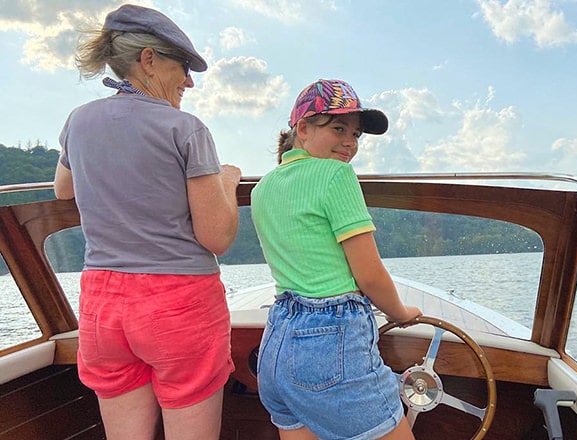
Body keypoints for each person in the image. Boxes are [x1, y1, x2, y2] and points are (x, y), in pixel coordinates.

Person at [53, 4, 241, 440]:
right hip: (178, 304)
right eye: (184, 67)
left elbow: (64, 190)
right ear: (149, 59)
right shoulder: (185, 128)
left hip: (103, 304)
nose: (189, 82)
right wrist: (227, 182)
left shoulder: (78, 121)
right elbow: (216, 236)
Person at [251, 79, 422, 440]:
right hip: (329, 342)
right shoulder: (336, 174)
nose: (350, 142)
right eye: (339, 128)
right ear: (303, 128)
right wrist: (400, 313)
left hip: (277, 341)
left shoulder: (263, 187)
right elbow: (369, 275)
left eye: (356, 134)